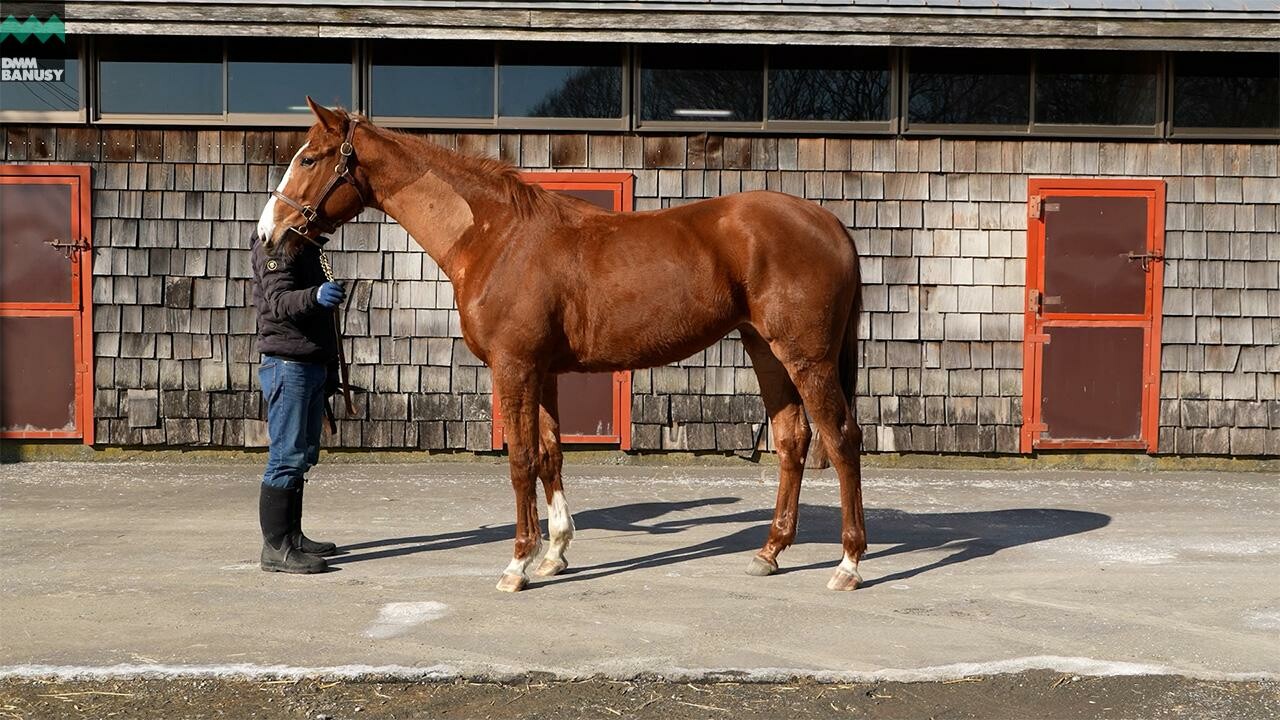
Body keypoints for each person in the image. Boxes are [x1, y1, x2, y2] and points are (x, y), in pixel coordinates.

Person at [251, 230, 345, 573]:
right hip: (288, 364)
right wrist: (316, 295)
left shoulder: (306, 248)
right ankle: (276, 548)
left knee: (302, 454)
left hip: (310, 362)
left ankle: (293, 536)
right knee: (285, 456)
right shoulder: (273, 245)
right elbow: (280, 301)